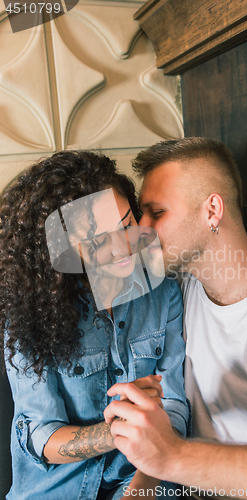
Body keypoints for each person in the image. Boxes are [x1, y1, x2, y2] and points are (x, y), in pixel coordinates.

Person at [104, 138, 247, 499]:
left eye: (157, 213)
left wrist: (174, 457)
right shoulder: (174, 287)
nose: (139, 230)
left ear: (212, 210)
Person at [0, 150, 188, 500]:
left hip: (146, 482)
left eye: (127, 225)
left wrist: (142, 489)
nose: (122, 249)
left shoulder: (164, 292)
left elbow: (174, 408)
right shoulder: (29, 313)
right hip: (54, 490)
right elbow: (40, 435)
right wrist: (118, 430)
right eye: (98, 240)